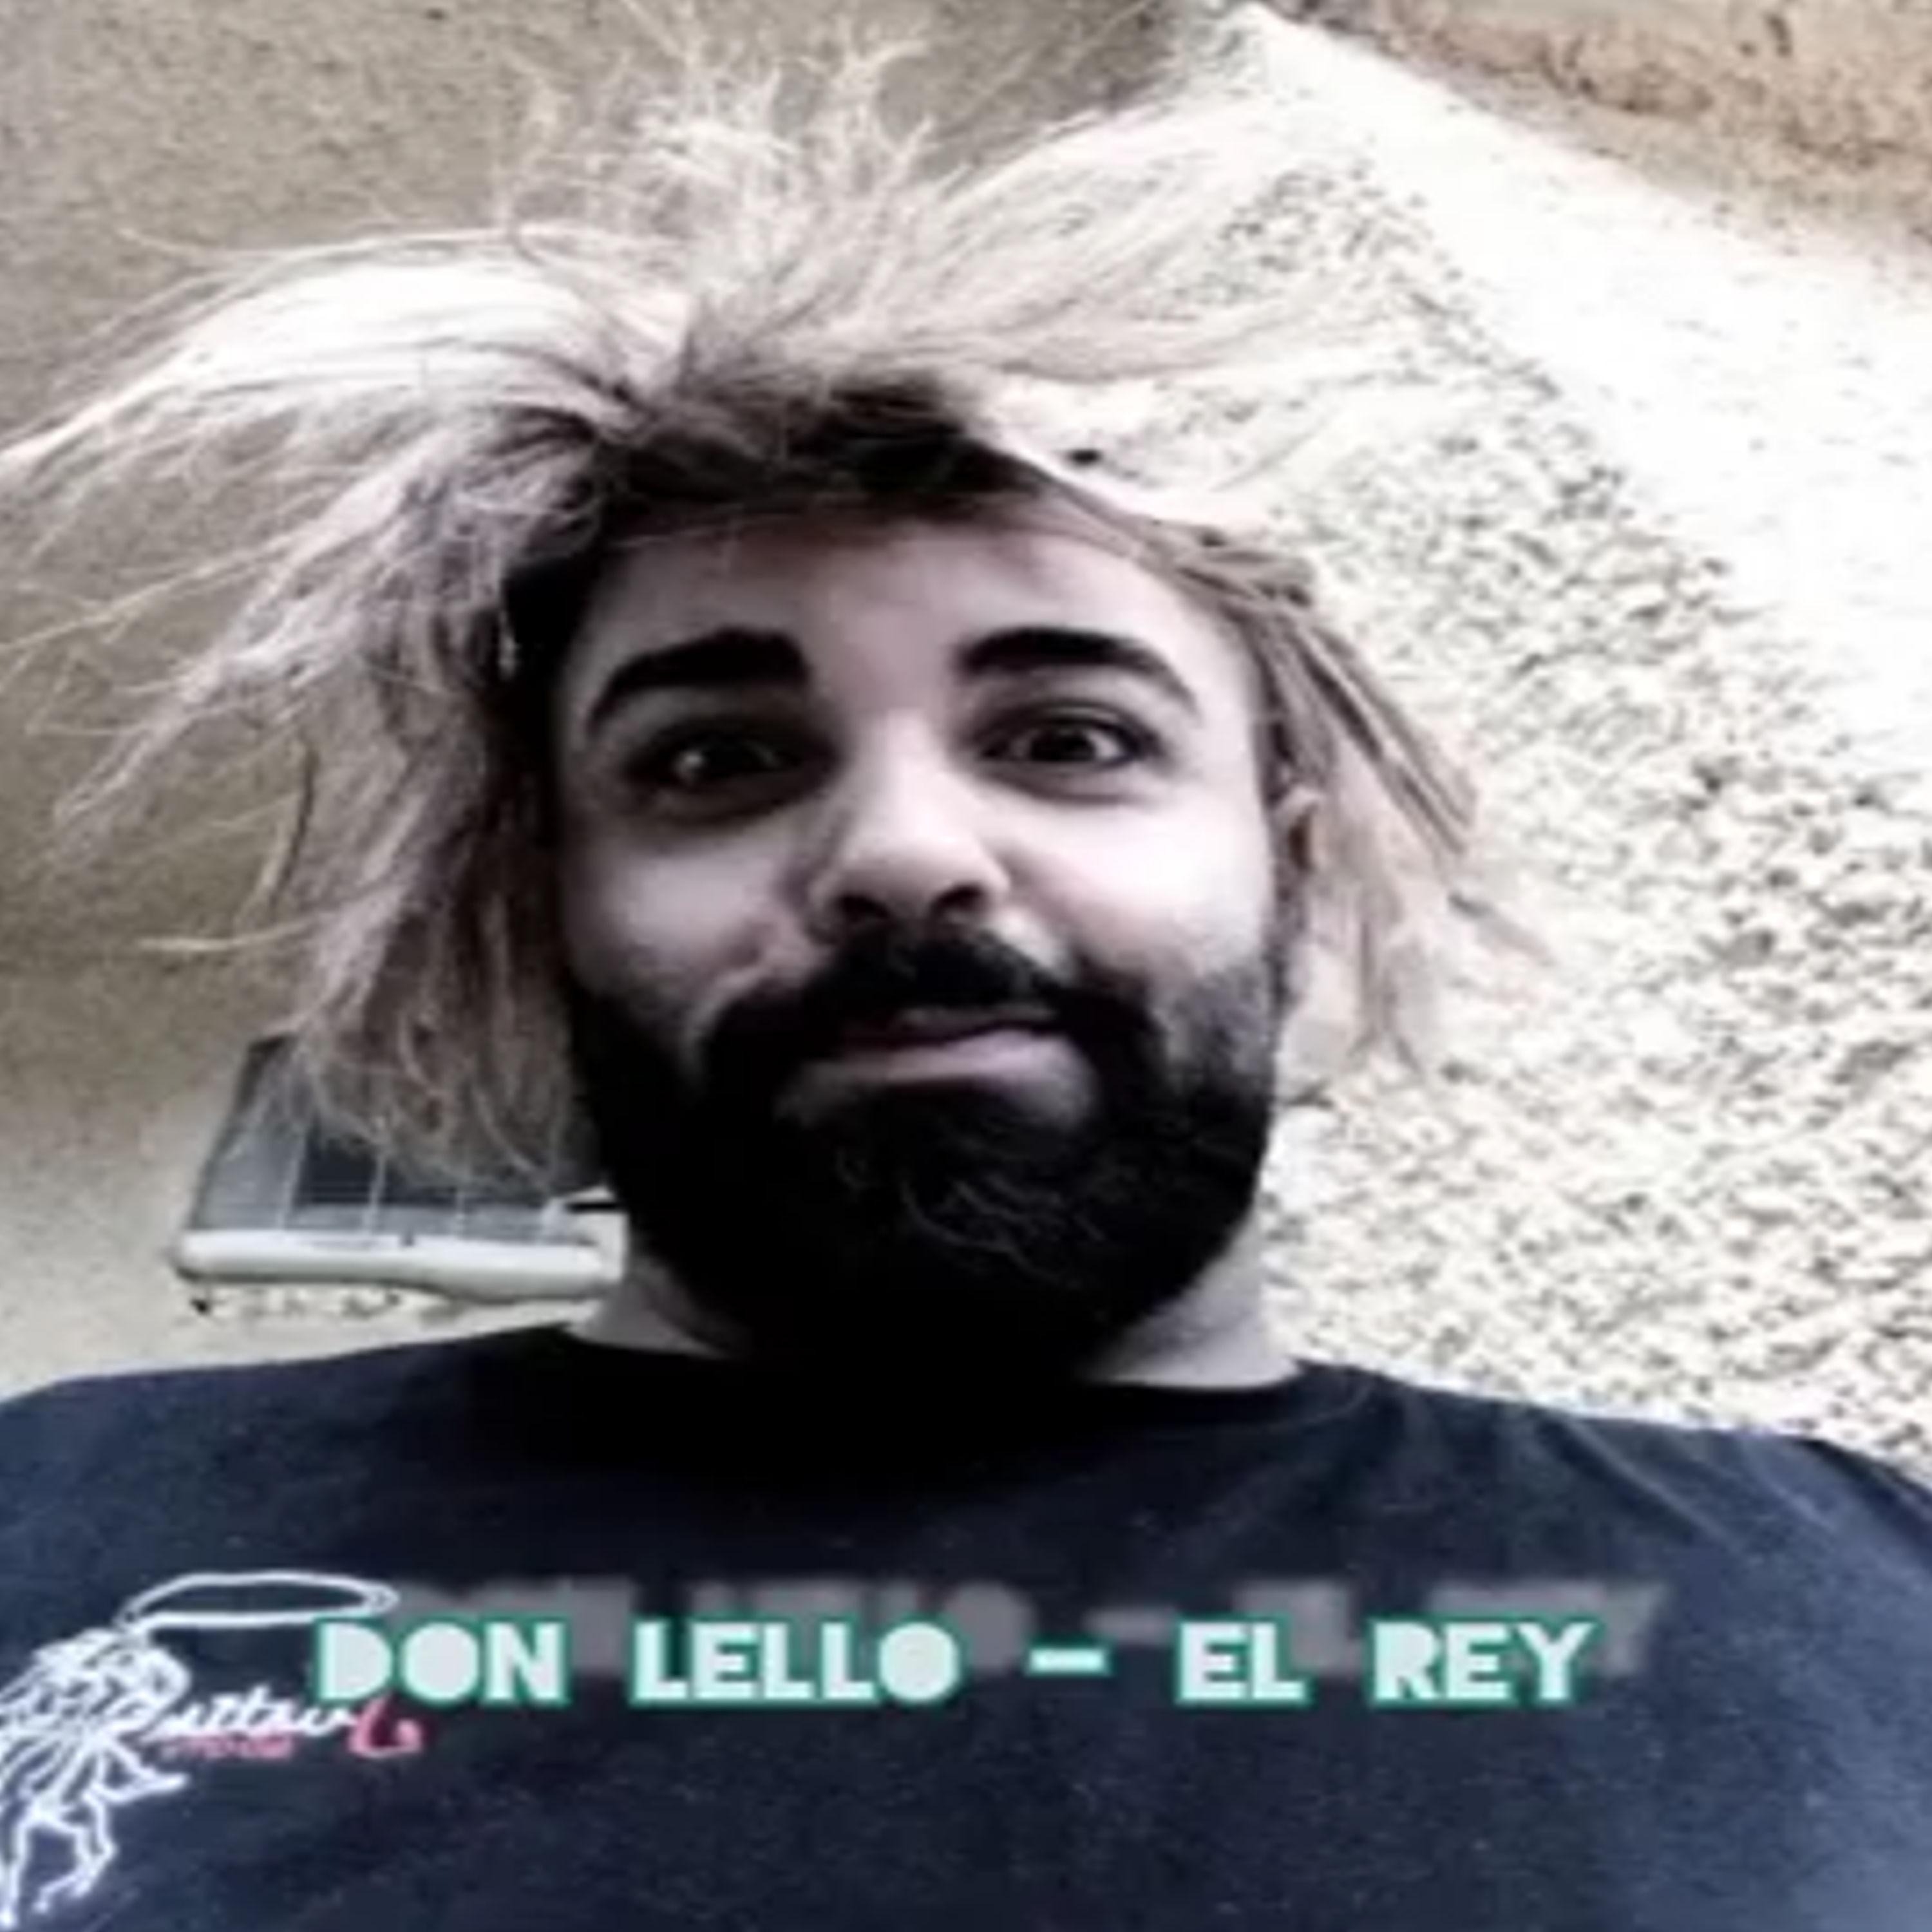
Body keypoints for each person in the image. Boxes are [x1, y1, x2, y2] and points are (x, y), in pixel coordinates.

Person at [1, 32, 1927, 1932]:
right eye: (716, 758)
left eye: (1071, 739)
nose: (906, 851)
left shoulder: (1853, 1593)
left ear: (1300, 875)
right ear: (546, 908)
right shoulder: (62, 1527)